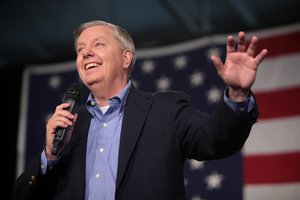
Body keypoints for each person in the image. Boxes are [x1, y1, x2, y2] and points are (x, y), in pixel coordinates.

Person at [12, 20, 268, 200]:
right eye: (80, 50)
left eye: (98, 45)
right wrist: (49, 156)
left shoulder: (166, 109)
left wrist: (237, 94)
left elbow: (216, 141)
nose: (86, 53)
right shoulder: (68, 125)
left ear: (126, 58)